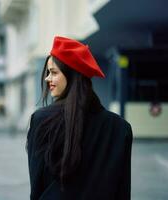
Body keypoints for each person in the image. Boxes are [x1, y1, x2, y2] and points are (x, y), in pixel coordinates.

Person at [27, 36, 133, 200]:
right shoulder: (120, 127)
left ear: (72, 76)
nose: (48, 78)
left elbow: (36, 185)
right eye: (48, 73)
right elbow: (122, 190)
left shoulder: (42, 119)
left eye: (54, 72)